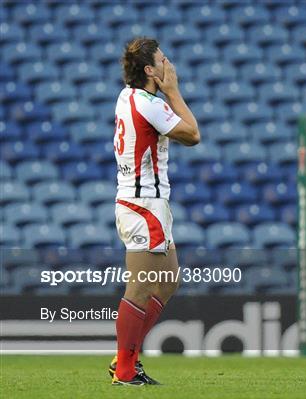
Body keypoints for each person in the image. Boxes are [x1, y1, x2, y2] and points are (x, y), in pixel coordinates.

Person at [109, 37, 200, 386]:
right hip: (143, 204)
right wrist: (174, 92)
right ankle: (126, 369)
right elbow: (193, 134)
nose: (169, 66)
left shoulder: (125, 96)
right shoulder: (150, 103)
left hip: (146, 203)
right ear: (150, 70)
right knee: (141, 288)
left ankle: (124, 357)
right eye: (164, 60)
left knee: (168, 281)